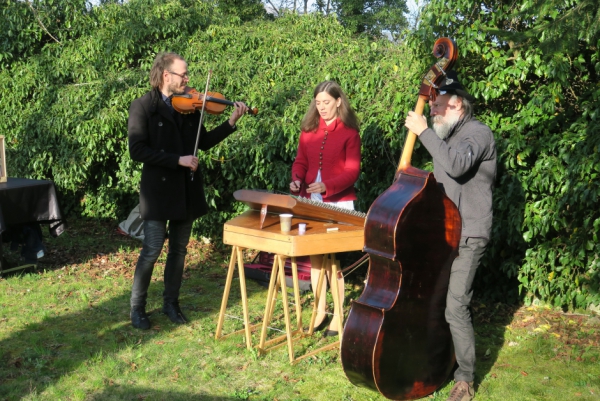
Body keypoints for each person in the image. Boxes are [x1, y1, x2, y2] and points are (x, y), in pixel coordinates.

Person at [128, 52, 249, 330]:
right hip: (157, 192)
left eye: (187, 73)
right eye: (183, 74)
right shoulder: (144, 106)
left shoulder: (191, 107)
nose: (187, 79)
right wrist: (176, 160)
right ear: (165, 75)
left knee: (179, 250)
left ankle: (171, 303)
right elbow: (137, 150)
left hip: (186, 190)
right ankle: (137, 307)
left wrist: (230, 122)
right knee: (152, 250)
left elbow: (203, 143)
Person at [404, 70, 496, 401]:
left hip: (469, 235)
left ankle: (465, 378)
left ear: (457, 103)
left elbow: (456, 166)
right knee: (434, 303)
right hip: (445, 233)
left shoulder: (478, 134)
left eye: (437, 104)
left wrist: (424, 133)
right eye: (431, 106)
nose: (431, 110)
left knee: (455, 306)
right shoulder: (447, 136)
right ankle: (434, 363)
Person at [289, 81, 361, 337]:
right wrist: (297, 178)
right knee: (315, 258)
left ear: (338, 101)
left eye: (326, 102)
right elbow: (300, 161)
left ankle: (338, 316)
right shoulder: (308, 129)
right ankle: (320, 309)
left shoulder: (350, 133)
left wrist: (327, 186)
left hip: (337, 203)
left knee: (333, 261)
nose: (321, 107)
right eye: (318, 103)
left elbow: (352, 172)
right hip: (310, 200)